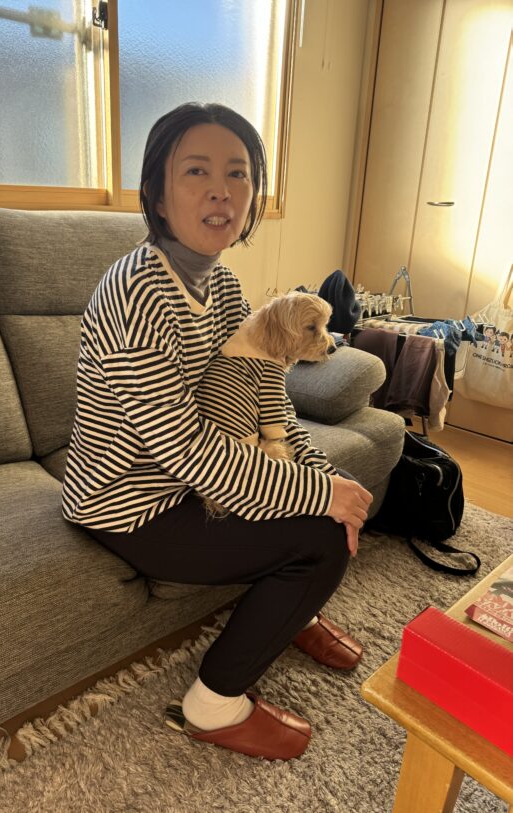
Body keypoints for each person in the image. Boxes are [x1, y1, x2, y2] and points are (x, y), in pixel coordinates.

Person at [62, 102, 373, 761]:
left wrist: (323, 477)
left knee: (337, 489)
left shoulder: (225, 287)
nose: (221, 191)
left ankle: (292, 611)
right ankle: (212, 706)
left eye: (238, 173)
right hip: (131, 503)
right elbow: (182, 447)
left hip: (193, 478)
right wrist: (319, 498)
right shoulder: (134, 293)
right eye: (196, 171)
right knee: (321, 534)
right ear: (157, 193)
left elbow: (268, 395)